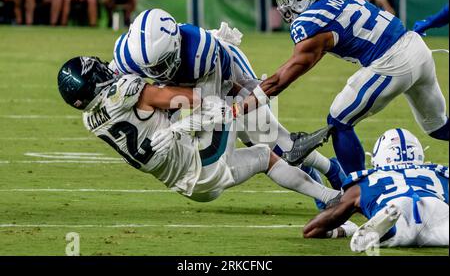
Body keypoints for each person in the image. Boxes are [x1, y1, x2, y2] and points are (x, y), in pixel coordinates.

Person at [112, 9, 349, 205]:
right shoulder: (127, 55)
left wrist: (176, 129)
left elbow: (209, 109)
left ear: (176, 44)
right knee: (262, 138)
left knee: (263, 134)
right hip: (195, 87)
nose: (157, 74)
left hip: (228, 73)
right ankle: (324, 175)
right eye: (149, 69)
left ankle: (329, 171)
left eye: (161, 64)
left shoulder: (199, 54)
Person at [56, 56, 342, 206]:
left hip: (187, 185)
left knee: (258, 147)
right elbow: (192, 99)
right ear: (95, 82)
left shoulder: (91, 119)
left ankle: (329, 185)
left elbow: (155, 118)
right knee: (225, 92)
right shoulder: (126, 93)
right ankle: (321, 179)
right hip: (202, 163)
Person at [235, 0, 449, 175]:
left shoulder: (311, 22)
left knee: (339, 120)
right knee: (439, 127)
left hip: (392, 63)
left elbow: (283, 78)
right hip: (417, 48)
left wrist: (241, 107)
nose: (283, 5)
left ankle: (356, 190)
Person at [302, 128, 449, 252]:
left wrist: (344, 230)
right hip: (435, 206)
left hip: (394, 206)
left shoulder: (366, 181)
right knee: (444, 228)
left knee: (399, 232)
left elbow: (312, 229)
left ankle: (387, 231)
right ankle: (387, 229)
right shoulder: (438, 173)